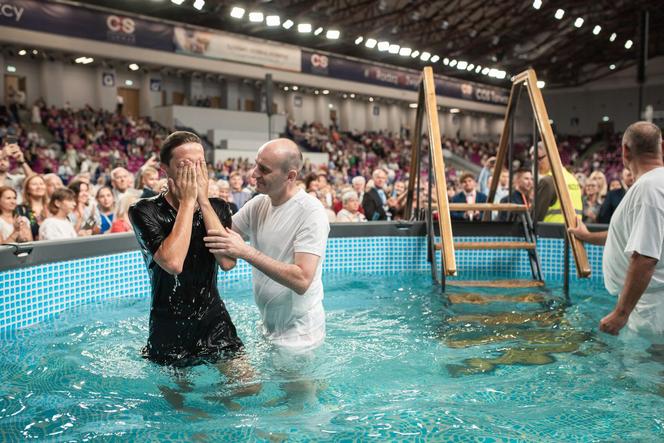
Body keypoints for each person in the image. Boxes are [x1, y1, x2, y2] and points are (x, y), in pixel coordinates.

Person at [128, 131, 245, 366]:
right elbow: (172, 263)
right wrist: (188, 202)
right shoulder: (144, 211)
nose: (194, 170)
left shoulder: (218, 207)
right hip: (168, 321)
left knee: (247, 388)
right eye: (184, 164)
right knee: (181, 402)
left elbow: (227, 262)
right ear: (165, 169)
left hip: (213, 317)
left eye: (199, 163)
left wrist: (202, 201)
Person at [204, 138, 330, 352]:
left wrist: (246, 252)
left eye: (263, 169)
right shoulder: (258, 205)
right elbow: (223, 241)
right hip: (268, 327)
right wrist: (199, 198)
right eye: (256, 164)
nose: (253, 173)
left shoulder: (310, 212)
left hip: (300, 334)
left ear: (290, 176)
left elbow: (302, 280)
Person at [569, 121, 664, 338]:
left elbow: (645, 256)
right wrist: (587, 236)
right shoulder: (654, 186)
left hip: (651, 309)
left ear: (625, 151)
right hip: (647, 302)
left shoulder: (649, 189)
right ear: (663, 148)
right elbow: (630, 237)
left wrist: (621, 312)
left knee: (646, 370)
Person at [532, 142, 583, 223]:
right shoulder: (572, 179)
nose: (536, 163)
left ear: (551, 155)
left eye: (539, 158)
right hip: (572, 233)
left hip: (550, 232)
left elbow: (534, 216)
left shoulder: (548, 181)